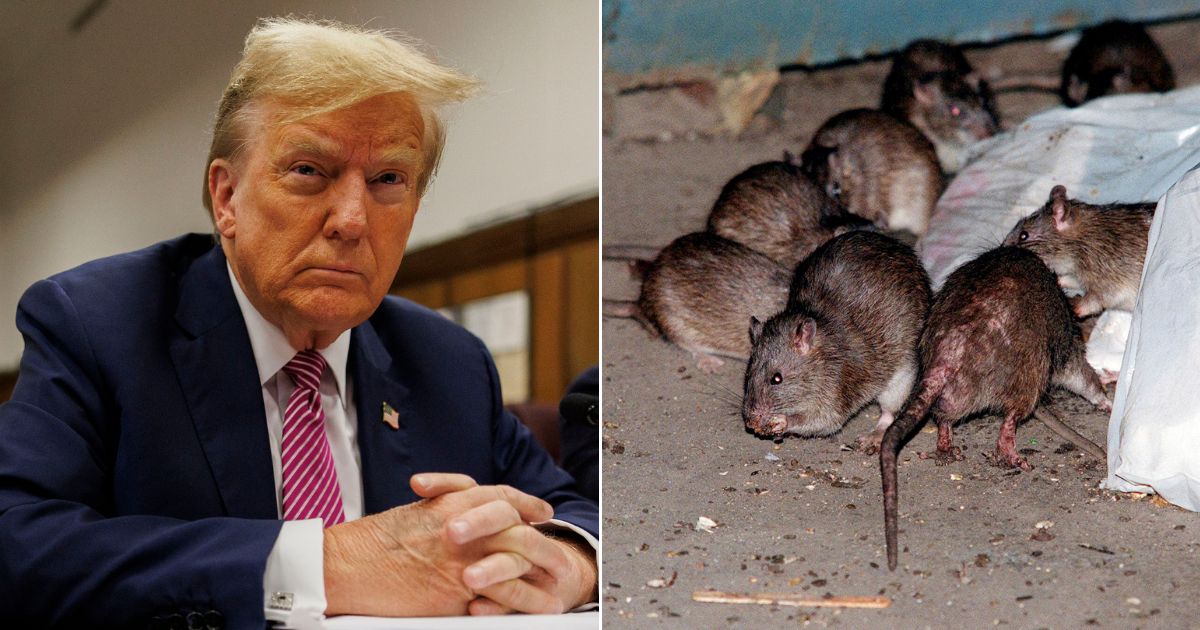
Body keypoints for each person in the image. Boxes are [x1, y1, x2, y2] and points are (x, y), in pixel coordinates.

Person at [0, 18, 598, 628]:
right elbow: (19, 545)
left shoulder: (448, 361)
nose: (351, 220)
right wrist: (331, 563)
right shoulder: (98, 324)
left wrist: (573, 564)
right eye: (310, 171)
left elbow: (578, 512)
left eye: (388, 180)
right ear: (227, 198)